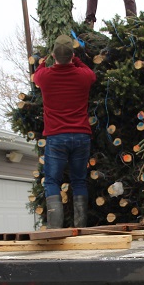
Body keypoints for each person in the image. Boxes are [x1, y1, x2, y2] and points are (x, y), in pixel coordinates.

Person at [33, 35, 97, 228]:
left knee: (52, 180)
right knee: (79, 181)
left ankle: (54, 229)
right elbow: (90, 73)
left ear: (54, 55)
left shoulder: (45, 77)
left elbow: (37, 74)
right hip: (81, 136)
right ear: (72, 54)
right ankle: (80, 227)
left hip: (56, 137)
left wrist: (44, 61)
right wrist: (76, 59)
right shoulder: (83, 76)